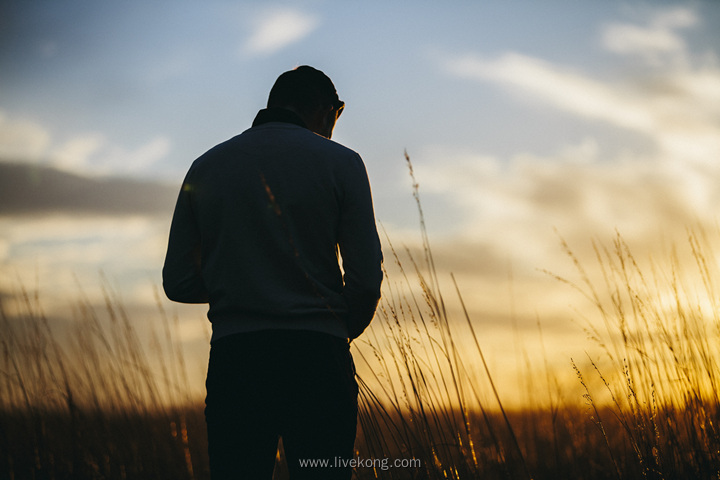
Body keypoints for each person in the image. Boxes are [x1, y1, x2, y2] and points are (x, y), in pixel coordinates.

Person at [162, 66, 383, 479]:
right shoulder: (343, 164)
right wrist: (337, 331)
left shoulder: (206, 167)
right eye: (338, 113)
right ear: (324, 109)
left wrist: (241, 285)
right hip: (319, 359)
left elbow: (177, 281)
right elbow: (366, 279)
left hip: (238, 360)